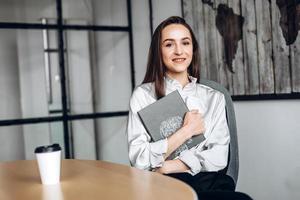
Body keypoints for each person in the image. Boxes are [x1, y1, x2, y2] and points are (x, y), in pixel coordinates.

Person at [126, 16, 252, 200]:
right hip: (164, 186)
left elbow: (218, 156)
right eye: (169, 44)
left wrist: (168, 165)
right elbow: (139, 159)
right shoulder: (143, 95)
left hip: (209, 182)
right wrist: (186, 131)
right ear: (158, 51)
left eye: (185, 43)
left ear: (193, 48)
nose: (179, 51)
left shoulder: (214, 97)